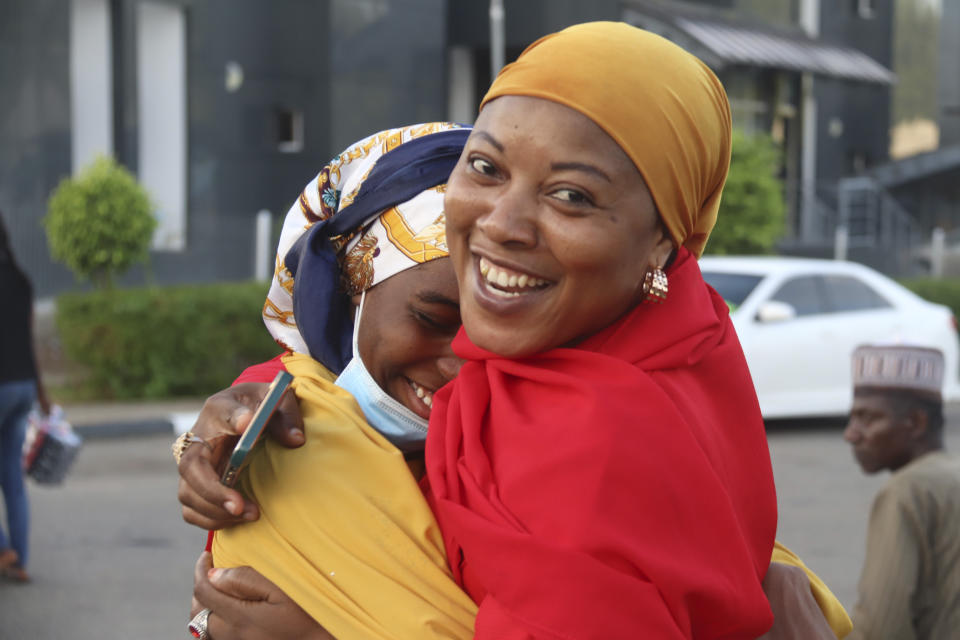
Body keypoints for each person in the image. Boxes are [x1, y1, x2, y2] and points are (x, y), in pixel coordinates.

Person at [183, 23, 852, 639]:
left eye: (572, 195)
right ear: (351, 292)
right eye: (486, 168)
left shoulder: (591, 429)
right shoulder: (637, 347)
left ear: (660, 244)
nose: (503, 223)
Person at [180, 122, 480, 640]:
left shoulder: (530, 457)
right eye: (432, 320)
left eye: (494, 337)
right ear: (352, 291)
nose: (461, 364)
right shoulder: (280, 425)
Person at [843, 343, 960, 640]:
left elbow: (881, 627)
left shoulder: (906, 491)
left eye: (868, 418)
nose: (851, 433)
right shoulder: (949, 477)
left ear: (916, 422)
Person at [0, 211, 51, 583]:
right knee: (13, 481)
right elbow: (29, 342)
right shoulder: (21, 280)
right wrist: (42, 394)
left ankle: (4, 549)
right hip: (22, 389)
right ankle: (20, 560)